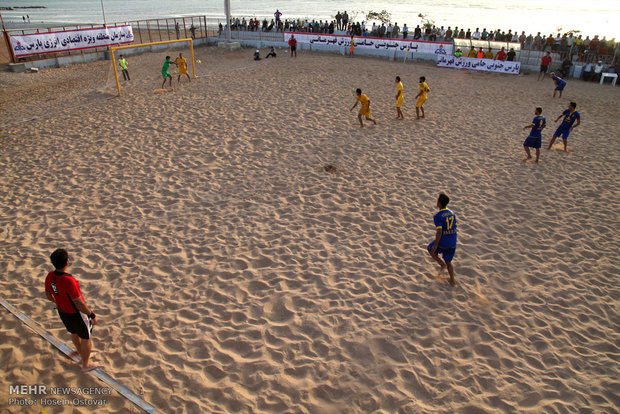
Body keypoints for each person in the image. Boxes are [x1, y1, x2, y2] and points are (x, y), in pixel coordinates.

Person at [45, 249, 99, 371]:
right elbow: (79, 303)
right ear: (67, 262)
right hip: (75, 313)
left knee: (74, 333)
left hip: (62, 311)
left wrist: (58, 302)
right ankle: (86, 364)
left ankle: (82, 354)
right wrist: (91, 314)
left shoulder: (50, 276)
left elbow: (48, 295)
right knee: (86, 337)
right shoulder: (69, 281)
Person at [427, 193, 457, 286]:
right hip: (453, 241)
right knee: (449, 262)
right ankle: (452, 281)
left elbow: (439, 232)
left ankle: (441, 264)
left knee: (430, 249)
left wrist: (435, 245)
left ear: (439, 203)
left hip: (444, 241)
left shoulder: (438, 216)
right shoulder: (452, 213)